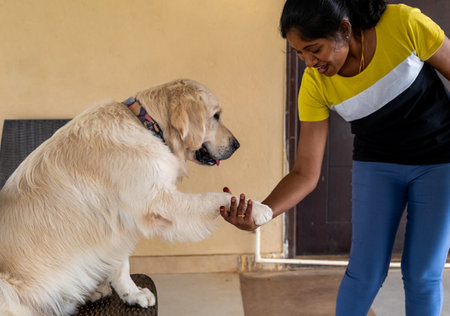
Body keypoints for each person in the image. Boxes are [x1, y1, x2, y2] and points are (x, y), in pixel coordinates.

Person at [220, 0, 450, 315]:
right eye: (299, 53)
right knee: (363, 274)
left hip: (441, 161)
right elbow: (305, 173)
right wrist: (262, 213)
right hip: (377, 166)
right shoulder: (315, 85)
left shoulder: (404, 25)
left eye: (315, 49)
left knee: (422, 274)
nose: (309, 62)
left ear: (344, 28)